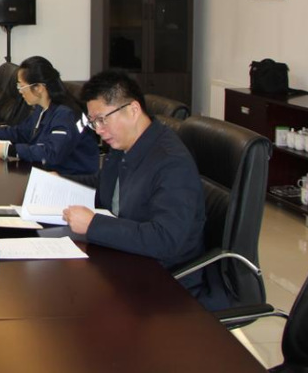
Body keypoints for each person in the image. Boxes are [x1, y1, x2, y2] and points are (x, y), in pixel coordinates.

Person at [62, 70, 206, 290]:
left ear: (133, 110)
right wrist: (61, 181)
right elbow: (104, 184)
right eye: (93, 122)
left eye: (102, 120)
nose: (99, 130)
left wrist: (93, 224)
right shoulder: (123, 144)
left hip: (165, 280)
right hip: (125, 258)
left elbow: (165, 239)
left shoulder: (171, 163)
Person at [0, 56, 100, 175]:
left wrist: (8, 150)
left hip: (71, 179)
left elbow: (51, 153)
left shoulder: (65, 113)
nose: (20, 91)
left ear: (39, 88)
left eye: (22, 86)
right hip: (47, 172)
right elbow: (22, 132)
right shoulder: (42, 107)